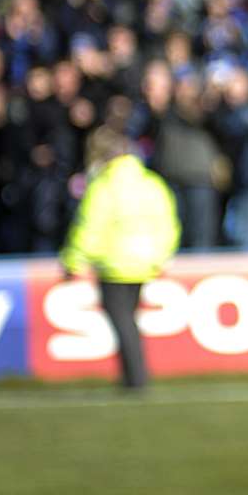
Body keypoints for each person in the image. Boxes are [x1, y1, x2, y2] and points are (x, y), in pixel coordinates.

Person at [58, 128, 182, 389]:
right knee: (129, 319)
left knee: (122, 321)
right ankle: (132, 377)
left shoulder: (103, 187)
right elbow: (167, 224)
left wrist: (73, 261)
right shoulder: (152, 184)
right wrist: (162, 257)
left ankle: (135, 379)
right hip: (144, 263)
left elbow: (89, 228)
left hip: (114, 264)